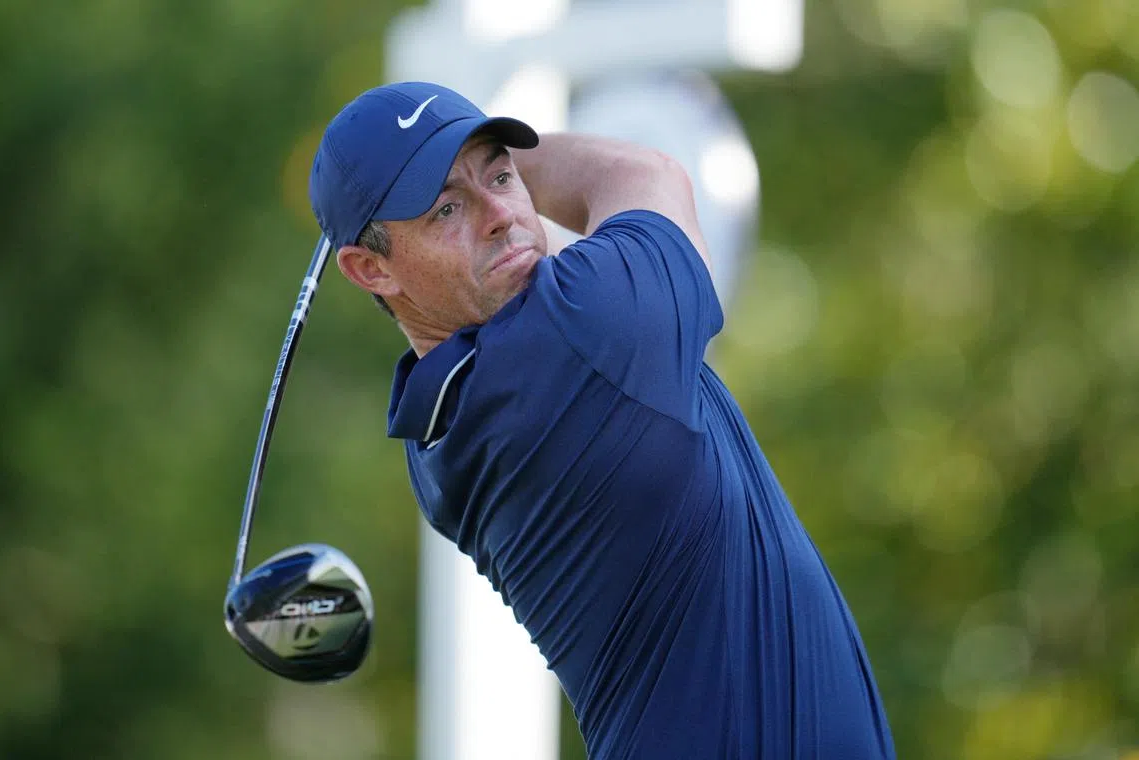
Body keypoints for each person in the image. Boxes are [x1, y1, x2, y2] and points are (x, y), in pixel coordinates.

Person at [309, 81, 896, 760]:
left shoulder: (435, 431)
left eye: (502, 174)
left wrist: (450, 165)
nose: (500, 214)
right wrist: (504, 157)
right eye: (447, 208)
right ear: (370, 269)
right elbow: (647, 173)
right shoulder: (581, 334)